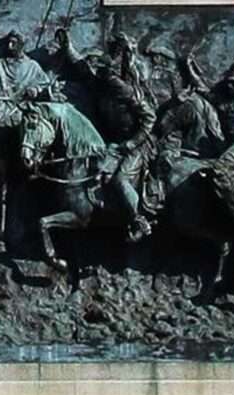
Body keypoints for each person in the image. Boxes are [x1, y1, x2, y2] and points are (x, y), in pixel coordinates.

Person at [58, 31, 158, 242]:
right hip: (112, 143)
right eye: (99, 70)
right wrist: (67, 45)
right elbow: (81, 68)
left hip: (138, 143)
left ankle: (138, 220)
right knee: (92, 172)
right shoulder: (100, 85)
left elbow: (149, 118)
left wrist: (131, 143)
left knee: (120, 179)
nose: (98, 72)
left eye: (103, 70)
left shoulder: (126, 92)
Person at [0, 31, 49, 100]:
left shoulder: (32, 66)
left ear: (20, 45)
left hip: (24, 102)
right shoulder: (1, 63)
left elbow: (45, 84)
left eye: (13, 43)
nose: (10, 46)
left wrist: (35, 89)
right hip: (3, 101)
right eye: (9, 42)